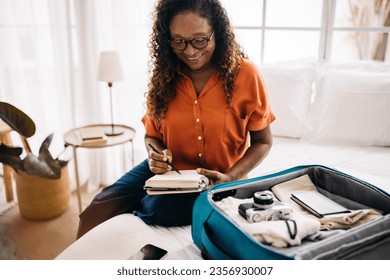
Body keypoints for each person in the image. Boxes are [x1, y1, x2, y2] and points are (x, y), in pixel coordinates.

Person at [76, 0, 275, 239]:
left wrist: (230, 178)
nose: (189, 51)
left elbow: (263, 141)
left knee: (159, 209)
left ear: (217, 33)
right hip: (167, 172)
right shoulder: (164, 76)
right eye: (178, 41)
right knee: (99, 206)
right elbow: (152, 135)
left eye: (200, 39)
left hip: (216, 180)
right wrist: (154, 155)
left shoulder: (246, 74)